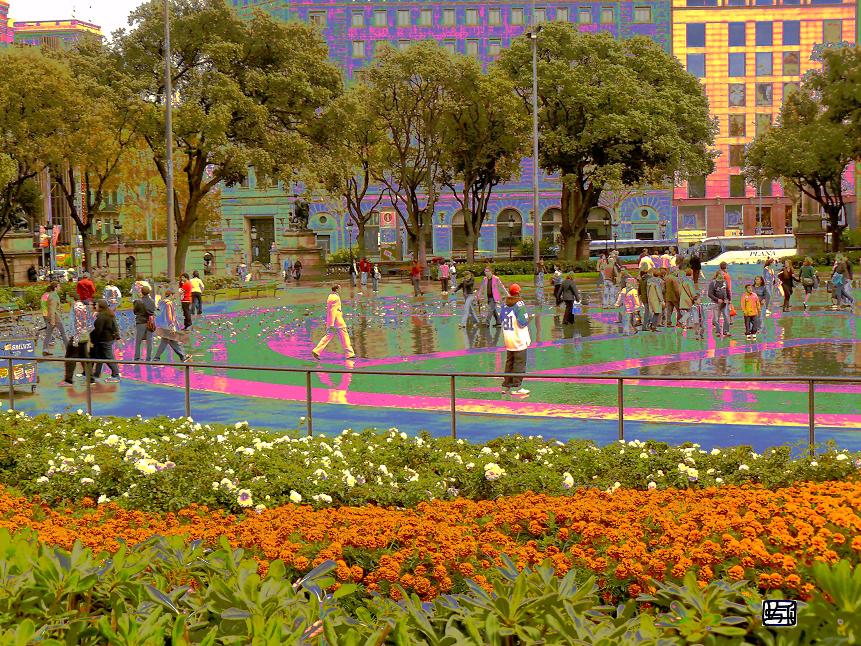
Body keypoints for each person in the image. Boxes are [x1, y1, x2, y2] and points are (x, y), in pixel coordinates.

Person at [499, 283, 531, 396]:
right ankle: (516, 387)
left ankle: (506, 386)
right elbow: (523, 322)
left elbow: (500, 319)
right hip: (519, 337)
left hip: (508, 337)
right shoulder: (519, 304)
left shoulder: (504, 304)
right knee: (519, 363)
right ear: (518, 292)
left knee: (509, 362)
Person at [312, 285, 355, 360]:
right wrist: (332, 324)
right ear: (337, 289)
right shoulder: (335, 298)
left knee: (328, 336)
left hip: (332, 321)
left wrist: (330, 323)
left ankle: (316, 350)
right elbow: (333, 310)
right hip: (337, 321)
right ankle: (349, 353)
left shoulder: (330, 296)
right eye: (340, 288)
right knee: (344, 337)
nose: (341, 290)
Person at [60, 294, 91, 386]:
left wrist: (76, 338)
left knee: (70, 358)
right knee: (84, 358)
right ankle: (91, 378)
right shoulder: (79, 306)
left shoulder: (77, 307)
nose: (66, 300)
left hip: (78, 336)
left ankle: (68, 380)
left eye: (67, 298)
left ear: (72, 298)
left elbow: (79, 322)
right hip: (83, 336)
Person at [89, 299, 120, 382]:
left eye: (97, 305)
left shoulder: (102, 317)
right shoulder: (109, 314)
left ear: (100, 306)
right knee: (100, 356)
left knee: (108, 357)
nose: (95, 306)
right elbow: (115, 326)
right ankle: (97, 374)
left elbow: (98, 330)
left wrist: (91, 339)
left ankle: (116, 375)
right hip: (108, 338)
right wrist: (117, 336)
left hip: (104, 339)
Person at [153, 288, 187, 363]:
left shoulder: (161, 303)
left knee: (170, 341)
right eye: (173, 295)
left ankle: (182, 356)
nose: (174, 297)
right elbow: (169, 315)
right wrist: (172, 325)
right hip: (168, 326)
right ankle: (156, 357)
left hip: (162, 325)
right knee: (168, 340)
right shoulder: (169, 303)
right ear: (170, 295)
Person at [40, 282, 67, 356]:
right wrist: (51, 319)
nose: (60, 288)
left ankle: (45, 349)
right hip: (53, 316)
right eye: (59, 286)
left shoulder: (45, 295)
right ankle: (69, 350)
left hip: (47, 315)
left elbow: (43, 305)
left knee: (48, 333)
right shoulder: (53, 296)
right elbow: (51, 308)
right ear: (55, 287)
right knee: (63, 333)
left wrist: (45, 316)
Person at [133, 285, 156, 361]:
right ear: (149, 292)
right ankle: (148, 358)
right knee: (149, 341)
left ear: (141, 292)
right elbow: (152, 312)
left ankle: (137, 357)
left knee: (138, 341)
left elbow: (135, 312)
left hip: (140, 322)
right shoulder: (152, 301)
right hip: (149, 322)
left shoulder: (138, 301)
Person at [708, 270, 731, 337]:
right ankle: (718, 331)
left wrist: (729, 300)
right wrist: (717, 299)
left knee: (726, 317)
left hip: (724, 303)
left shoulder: (725, 282)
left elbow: (728, 291)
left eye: (724, 274)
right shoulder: (713, 283)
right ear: (718, 275)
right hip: (716, 303)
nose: (724, 276)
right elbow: (709, 294)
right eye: (722, 274)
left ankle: (726, 331)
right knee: (716, 318)